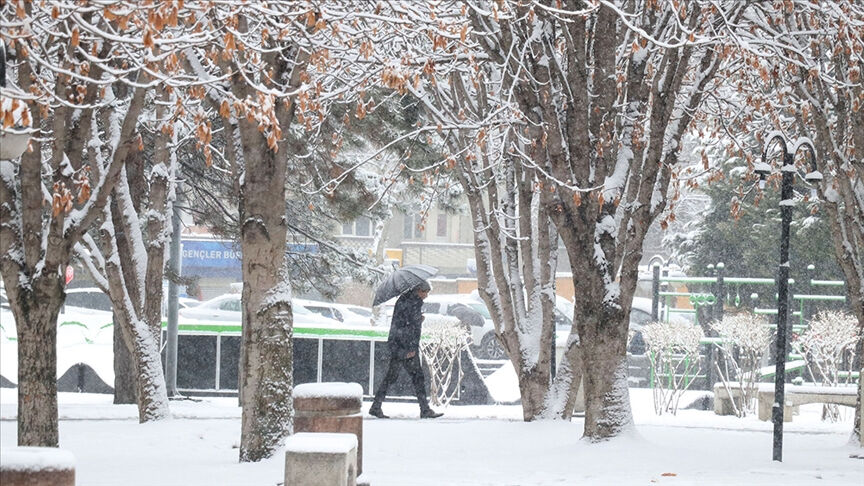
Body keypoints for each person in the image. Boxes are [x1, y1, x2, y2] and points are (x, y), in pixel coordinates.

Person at [368, 280, 443, 419]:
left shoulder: (405, 300)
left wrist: (417, 319)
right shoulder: (412, 302)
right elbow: (409, 327)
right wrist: (410, 348)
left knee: (392, 377)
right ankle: (424, 410)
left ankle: (376, 406)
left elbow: (403, 322)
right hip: (405, 346)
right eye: (425, 292)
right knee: (418, 378)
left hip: (398, 344)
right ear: (419, 290)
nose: (426, 295)